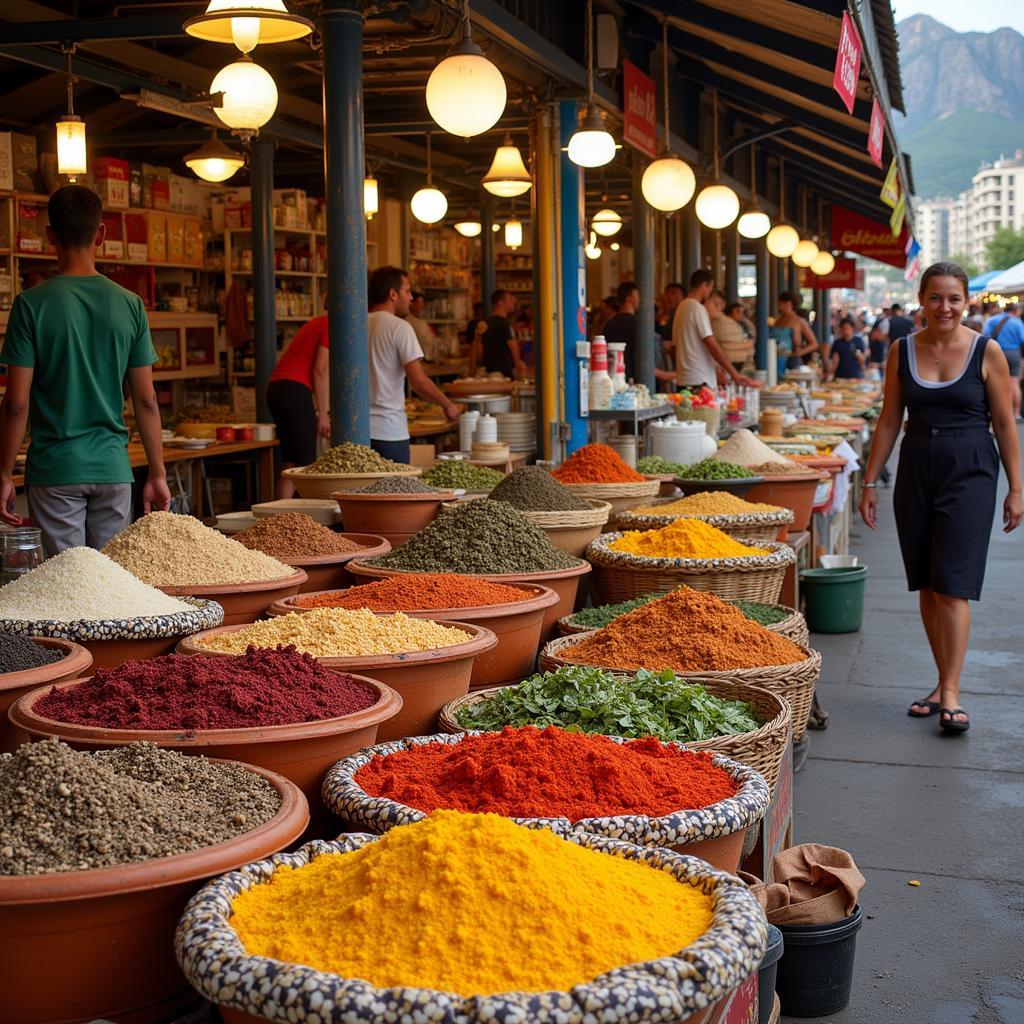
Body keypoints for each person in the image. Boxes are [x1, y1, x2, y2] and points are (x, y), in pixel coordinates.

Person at [859, 262, 1022, 735]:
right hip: (916, 468)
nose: (945, 307)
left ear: (967, 301)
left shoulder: (986, 352)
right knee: (927, 583)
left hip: (970, 467)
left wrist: (1017, 487)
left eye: (954, 298)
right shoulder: (901, 350)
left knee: (952, 582)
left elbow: (1006, 424)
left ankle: (951, 690)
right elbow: (889, 419)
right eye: (936, 298)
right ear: (922, 300)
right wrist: (870, 481)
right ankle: (941, 682)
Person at [0, 185, 170, 554]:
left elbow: (16, 403)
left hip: (55, 470)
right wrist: (157, 473)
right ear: (102, 234)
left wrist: (3, 474)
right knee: (107, 588)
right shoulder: (130, 305)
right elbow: (146, 399)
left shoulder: (30, 305)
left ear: (49, 237)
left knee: (68, 589)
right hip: (112, 468)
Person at [367, 266, 459, 464]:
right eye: (407, 291)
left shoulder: (356, 325)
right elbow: (418, 382)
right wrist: (448, 405)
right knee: (395, 494)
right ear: (393, 294)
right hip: (389, 431)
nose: (410, 298)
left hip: (357, 431)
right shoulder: (400, 328)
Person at [266, 313, 330, 498]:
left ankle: (280, 517)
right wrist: (323, 414)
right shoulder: (331, 325)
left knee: (291, 464)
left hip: (277, 388)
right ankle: (303, 522)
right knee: (305, 466)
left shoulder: (317, 322)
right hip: (294, 389)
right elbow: (320, 370)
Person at [673, 269, 761, 390]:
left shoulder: (681, 307)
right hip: (699, 380)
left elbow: (676, 346)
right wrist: (734, 373)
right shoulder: (697, 308)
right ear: (705, 285)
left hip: (684, 378)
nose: (709, 292)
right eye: (711, 287)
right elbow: (711, 343)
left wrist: (715, 367)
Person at [983, 302, 1024, 421]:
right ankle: (1016, 413)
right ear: (1016, 310)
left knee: (995, 383)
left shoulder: (993, 320)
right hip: (1014, 353)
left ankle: (999, 411)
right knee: (1014, 382)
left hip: (996, 352)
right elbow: (1023, 339)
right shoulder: (1017, 322)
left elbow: (985, 335)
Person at [479, 289, 527, 380]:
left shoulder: (484, 323)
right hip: (505, 373)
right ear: (500, 303)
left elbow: (478, 351)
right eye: (509, 298)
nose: (514, 301)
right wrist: (518, 367)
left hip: (490, 373)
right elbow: (513, 346)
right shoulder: (503, 323)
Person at [770, 290, 819, 377]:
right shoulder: (777, 319)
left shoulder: (799, 321)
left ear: (788, 304)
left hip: (790, 360)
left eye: (781, 303)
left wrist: (798, 353)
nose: (779, 305)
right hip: (773, 359)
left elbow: (814, 343)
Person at [601, 281, 640, 380]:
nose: (639, 299)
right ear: (629, 298)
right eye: (637, 296)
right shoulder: (638, 325)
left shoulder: (608, 324)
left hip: (612, 374)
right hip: (633, 376)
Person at [711, 297, 754, 372]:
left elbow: (752, 334)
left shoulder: (741, 325)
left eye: (742, 312)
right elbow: (725, 345)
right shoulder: (722, 322)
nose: (741, 314)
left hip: (739, 362)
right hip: (729, 362)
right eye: (738, 312)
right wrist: (748, 345)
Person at [406, 291, 437, 362]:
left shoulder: (421, 321)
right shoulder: (408, 321)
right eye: (419, 303)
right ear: (412, 304)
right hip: (417, 361)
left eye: (422, 303)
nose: (422, 306)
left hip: (425, 360)